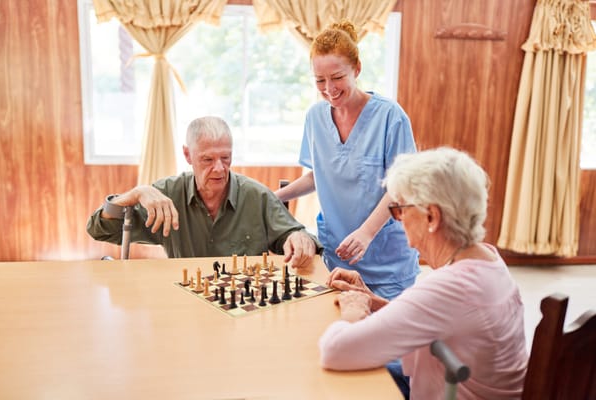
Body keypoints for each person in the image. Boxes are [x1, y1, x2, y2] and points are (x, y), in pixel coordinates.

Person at [318, 147, 528, 399]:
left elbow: (334, 351)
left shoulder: (451, 287)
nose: (398, 219)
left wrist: (354, 312)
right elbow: (437, 322)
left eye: (400, 210)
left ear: (431, 217)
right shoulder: (489, 261)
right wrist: (372, 301)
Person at [274, 20, 419, 300]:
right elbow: (320, 175)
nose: (329, 88)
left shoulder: (391, 117)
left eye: (337, 77)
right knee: (341, 333)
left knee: (385, 337)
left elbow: (402, 187)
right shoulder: (315, 118)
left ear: (357, 69)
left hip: (385, 259)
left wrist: (365, 233)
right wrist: (271, 196)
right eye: (319, 80)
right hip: (337, 255)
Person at [87, 116, 321, 268]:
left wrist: (299, 238)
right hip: (187, 302)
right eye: (207, 159)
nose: (219, 168)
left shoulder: (256, 196)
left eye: (225, 158)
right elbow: (99, 230)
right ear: (188, 155)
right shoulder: (167, 194)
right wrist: (134, 194)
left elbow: (295, 236)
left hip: (244, 303)